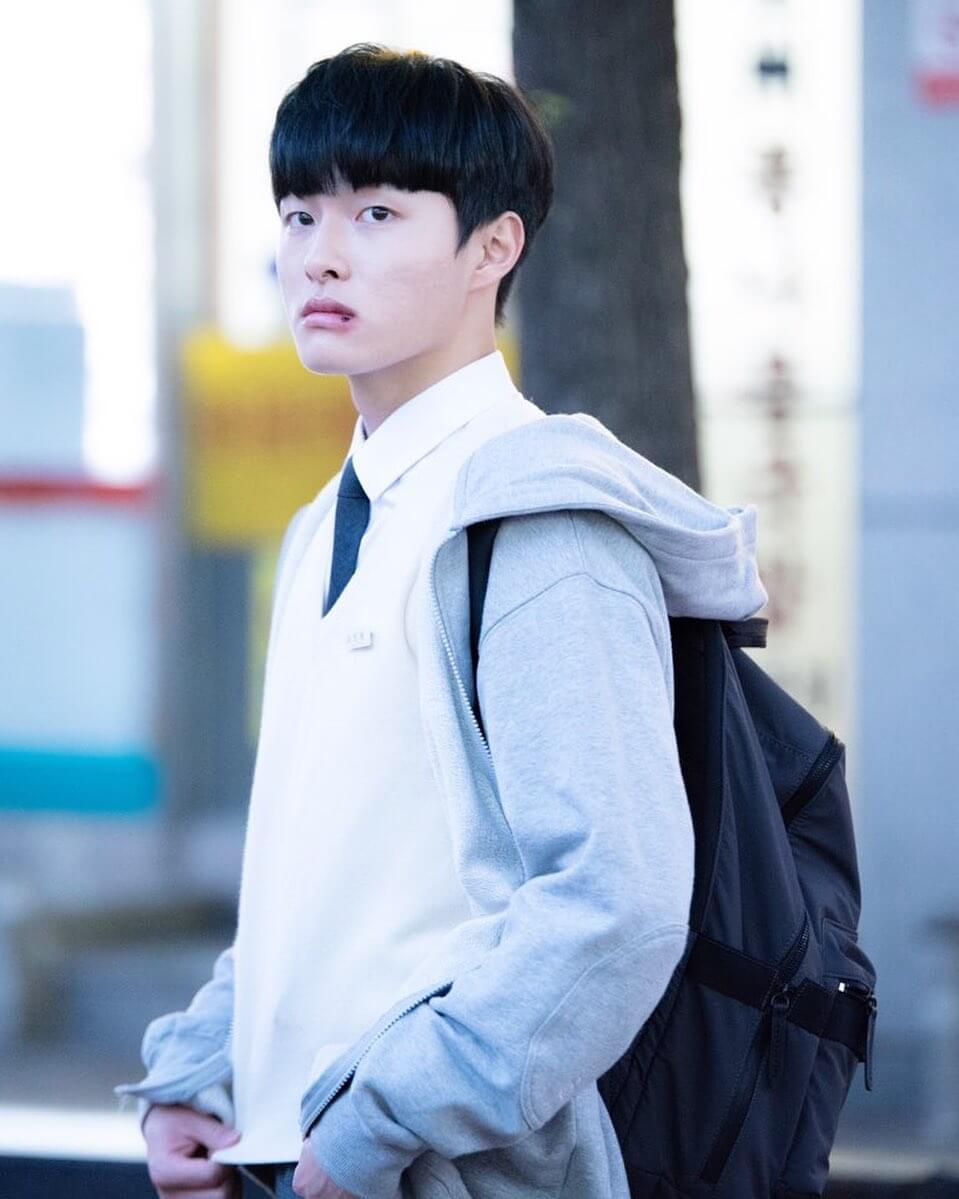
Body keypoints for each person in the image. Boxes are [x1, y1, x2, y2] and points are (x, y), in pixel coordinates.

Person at [116, 42, 768, 1199]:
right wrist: (199, 1072)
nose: (319, 254)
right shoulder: (322, 524)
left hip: (454, 1172)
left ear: (493, 246)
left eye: (375, 212)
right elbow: (316, 872)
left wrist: (380, 1121)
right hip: (292, 1158)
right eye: (299, 212)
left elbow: (613, 904)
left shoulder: (537, 521)